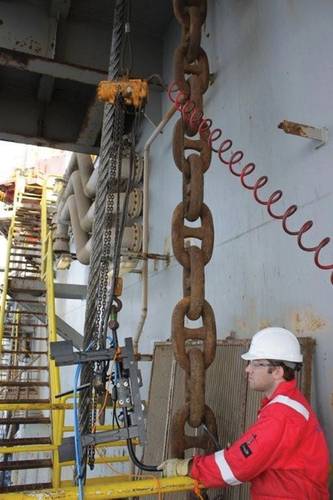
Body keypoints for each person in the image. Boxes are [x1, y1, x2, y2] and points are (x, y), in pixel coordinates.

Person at [158, 327, 330, 499]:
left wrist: (188, 467)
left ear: (278, 371)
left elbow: (238, 465)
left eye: (256, 363)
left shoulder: (281, 415)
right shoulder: (286, 405)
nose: (248, 369)